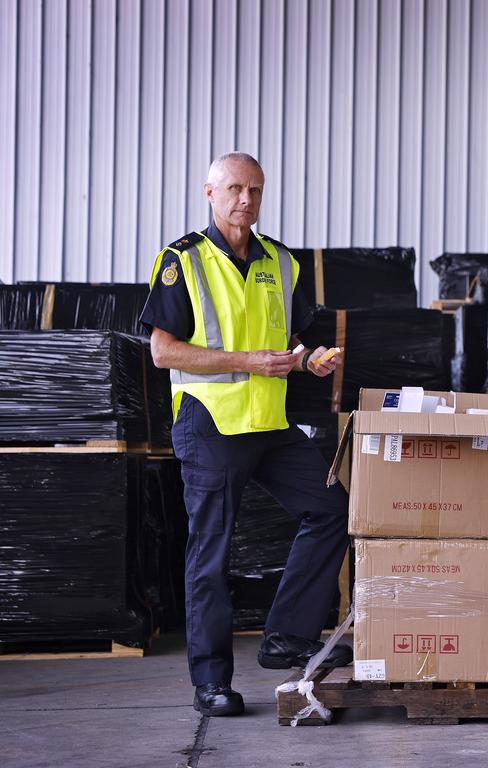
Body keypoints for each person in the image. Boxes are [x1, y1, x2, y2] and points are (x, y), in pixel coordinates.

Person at [140, 152, 350, 717]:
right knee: (210, 554)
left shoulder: (281, 263)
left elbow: (292, 341)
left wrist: (310, 362)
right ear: (209, 192)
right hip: (211, 424)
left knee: (334, 508)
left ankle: (284, 635)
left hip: (271, 425)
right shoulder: (182, 260)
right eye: (234, 188)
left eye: (255, 190)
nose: (246, 200)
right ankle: (211, 683)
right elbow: (163, 351)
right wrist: (248, 361)